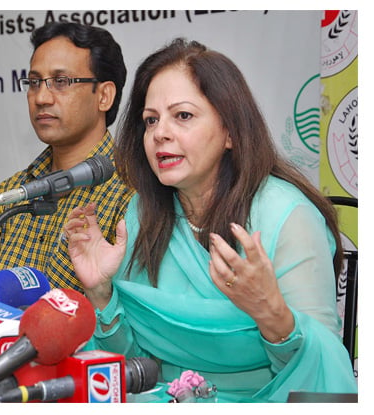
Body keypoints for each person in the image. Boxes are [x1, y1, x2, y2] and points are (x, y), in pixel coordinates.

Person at [64, 38, 357, 402]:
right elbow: (134, 367)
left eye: (182, 116)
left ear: (231, 132)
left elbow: (321, 376)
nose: (160, 134)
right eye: (150, 120)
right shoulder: (142, 213)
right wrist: (101, 293)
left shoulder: (289, 217)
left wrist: (272, 315)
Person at [0, 22, 133, 290]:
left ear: (104, 96)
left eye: (61, 82)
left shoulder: (132, 194)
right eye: (33, 83)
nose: (41, 97)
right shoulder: (10, 193)